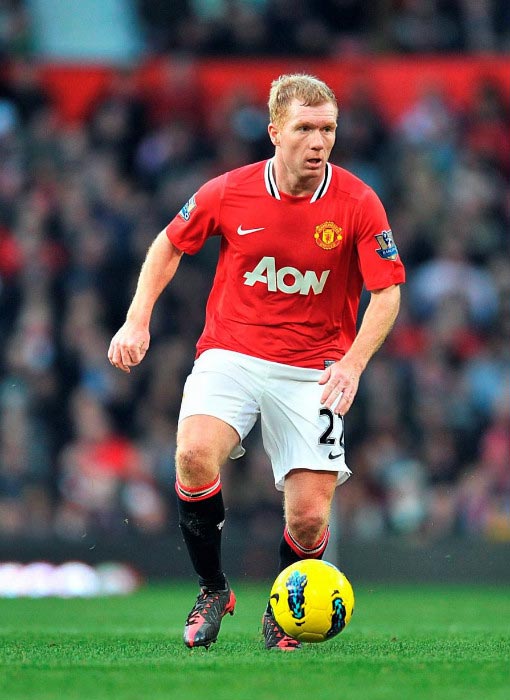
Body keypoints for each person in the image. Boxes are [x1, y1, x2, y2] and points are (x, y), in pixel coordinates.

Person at [108, 73, 405, 650]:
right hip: (232, 354)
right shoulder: (229, 191)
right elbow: (170, 242)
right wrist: (137, 317)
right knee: (194, 454)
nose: (318, 142)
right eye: (305, 129)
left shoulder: (358, 202)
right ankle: (213, 587)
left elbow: (388, 291)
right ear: (275, 132)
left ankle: (281, 609)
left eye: (328, 130)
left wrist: (353, 363)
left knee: (310, 520)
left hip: (314, 369)